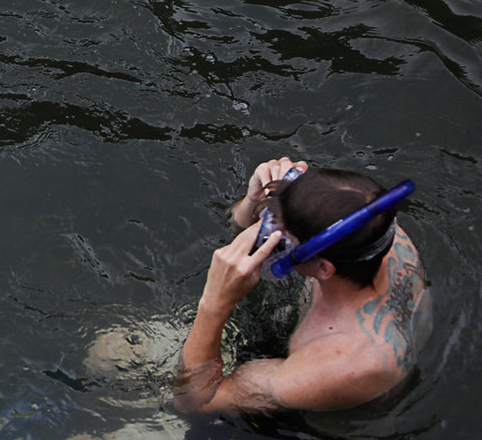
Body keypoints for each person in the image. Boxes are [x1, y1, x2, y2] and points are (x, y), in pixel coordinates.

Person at [173, 159, 430, 417]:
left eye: (280, 236)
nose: (268, 230)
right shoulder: (374, 227)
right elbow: (253, 227)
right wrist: (254, 201)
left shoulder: (335, 366)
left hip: (312, 439)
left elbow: (194, 403)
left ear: (323, 269)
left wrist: (215, 302)